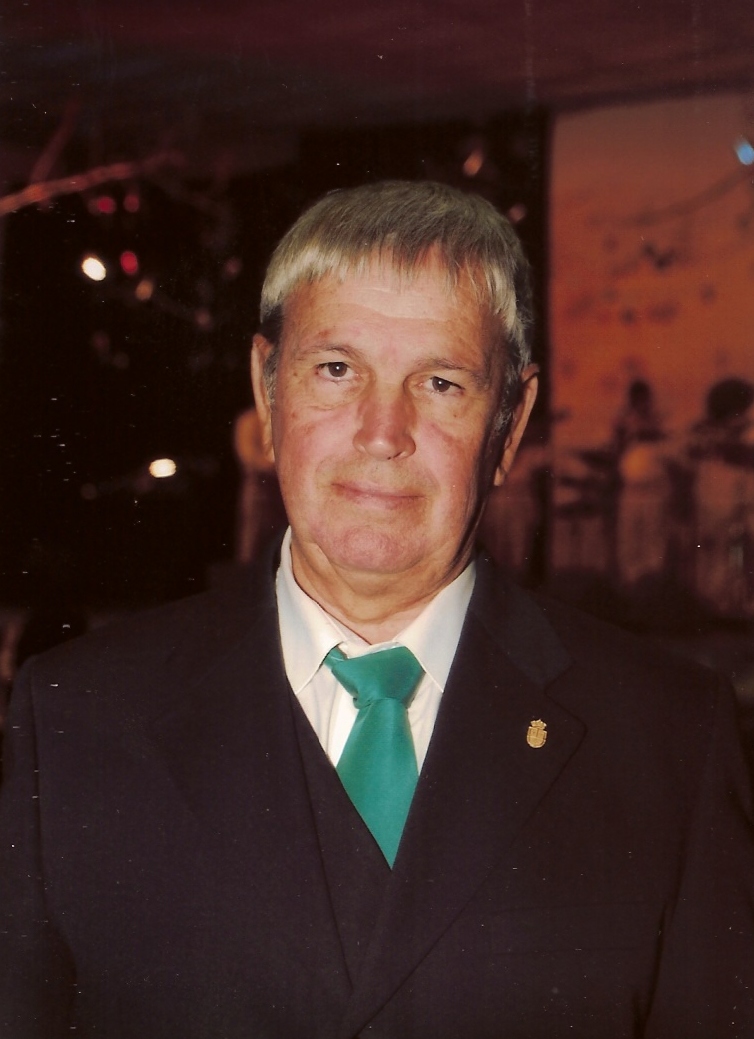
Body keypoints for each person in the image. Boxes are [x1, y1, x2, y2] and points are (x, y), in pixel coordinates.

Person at [1, 181, 753, 1039]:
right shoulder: (77, 720)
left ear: (509, 426)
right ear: (267, 391)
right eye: (336, 370)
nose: (382, 431)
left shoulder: (667, 740)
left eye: (439, 382)